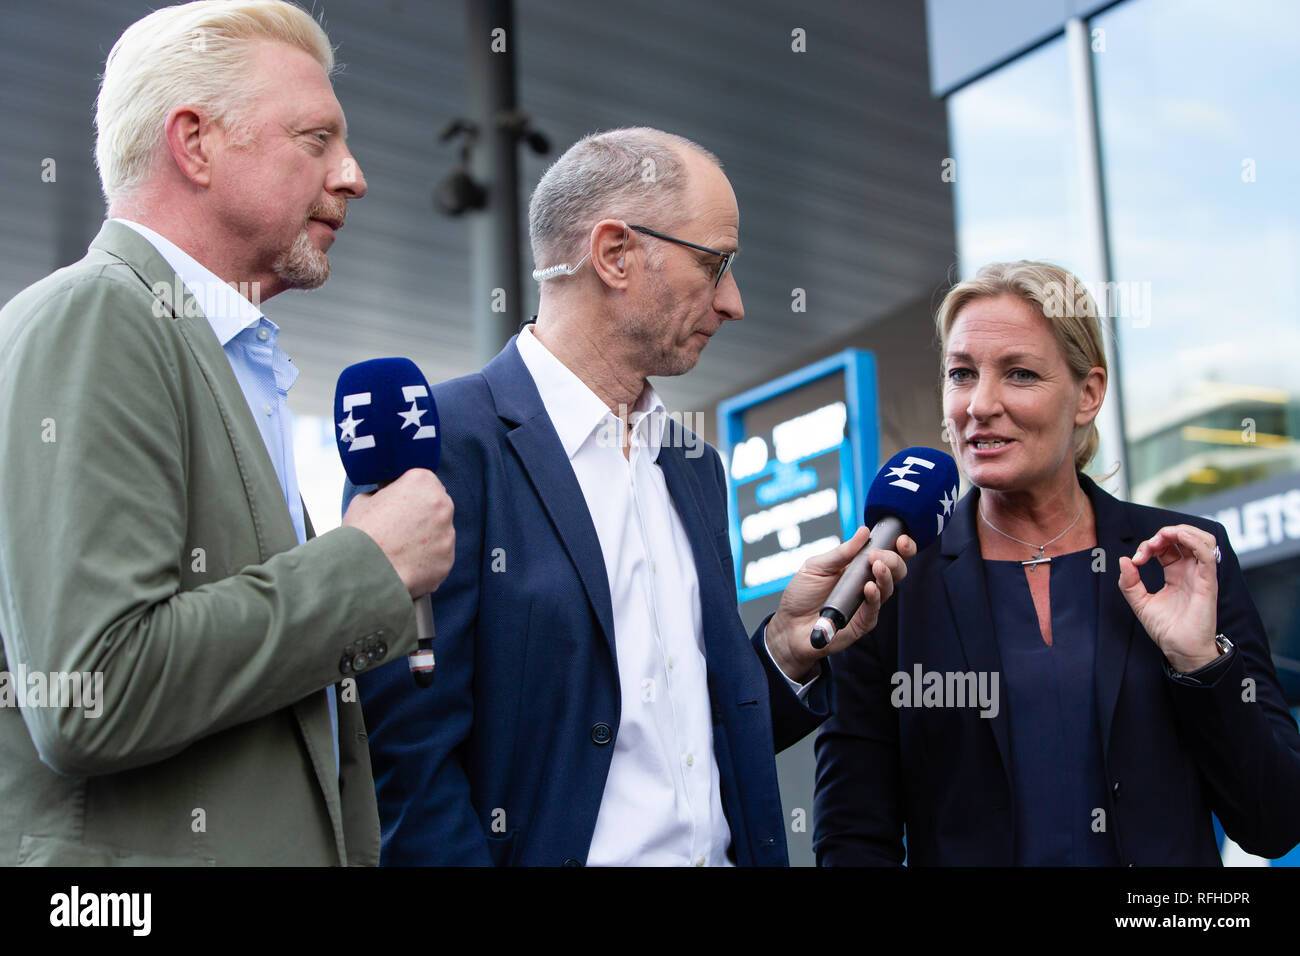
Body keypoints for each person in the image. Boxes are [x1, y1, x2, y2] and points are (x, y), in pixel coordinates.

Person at [353, 127, 912, 866]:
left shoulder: (695, 466)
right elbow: (408, 767)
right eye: (715, 264)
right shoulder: (440, 444)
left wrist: (783, 647)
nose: (734, 302)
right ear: (615, 254)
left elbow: (689, 744)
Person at [0, 0, 454, 866]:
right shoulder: (98, 316)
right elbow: (93, 691)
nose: (354, 175)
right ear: (195, 143)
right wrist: (368, 566)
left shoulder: (217, 350)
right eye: (316, 139)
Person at [813, 260, 1300, 866]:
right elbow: (852, 837)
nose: (980, 404)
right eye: (961, 374)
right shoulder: (893, 583)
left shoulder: (1182, 558)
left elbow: (1276, 821)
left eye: (1019, 374)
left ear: (1088, 394)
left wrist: (1201, 665)